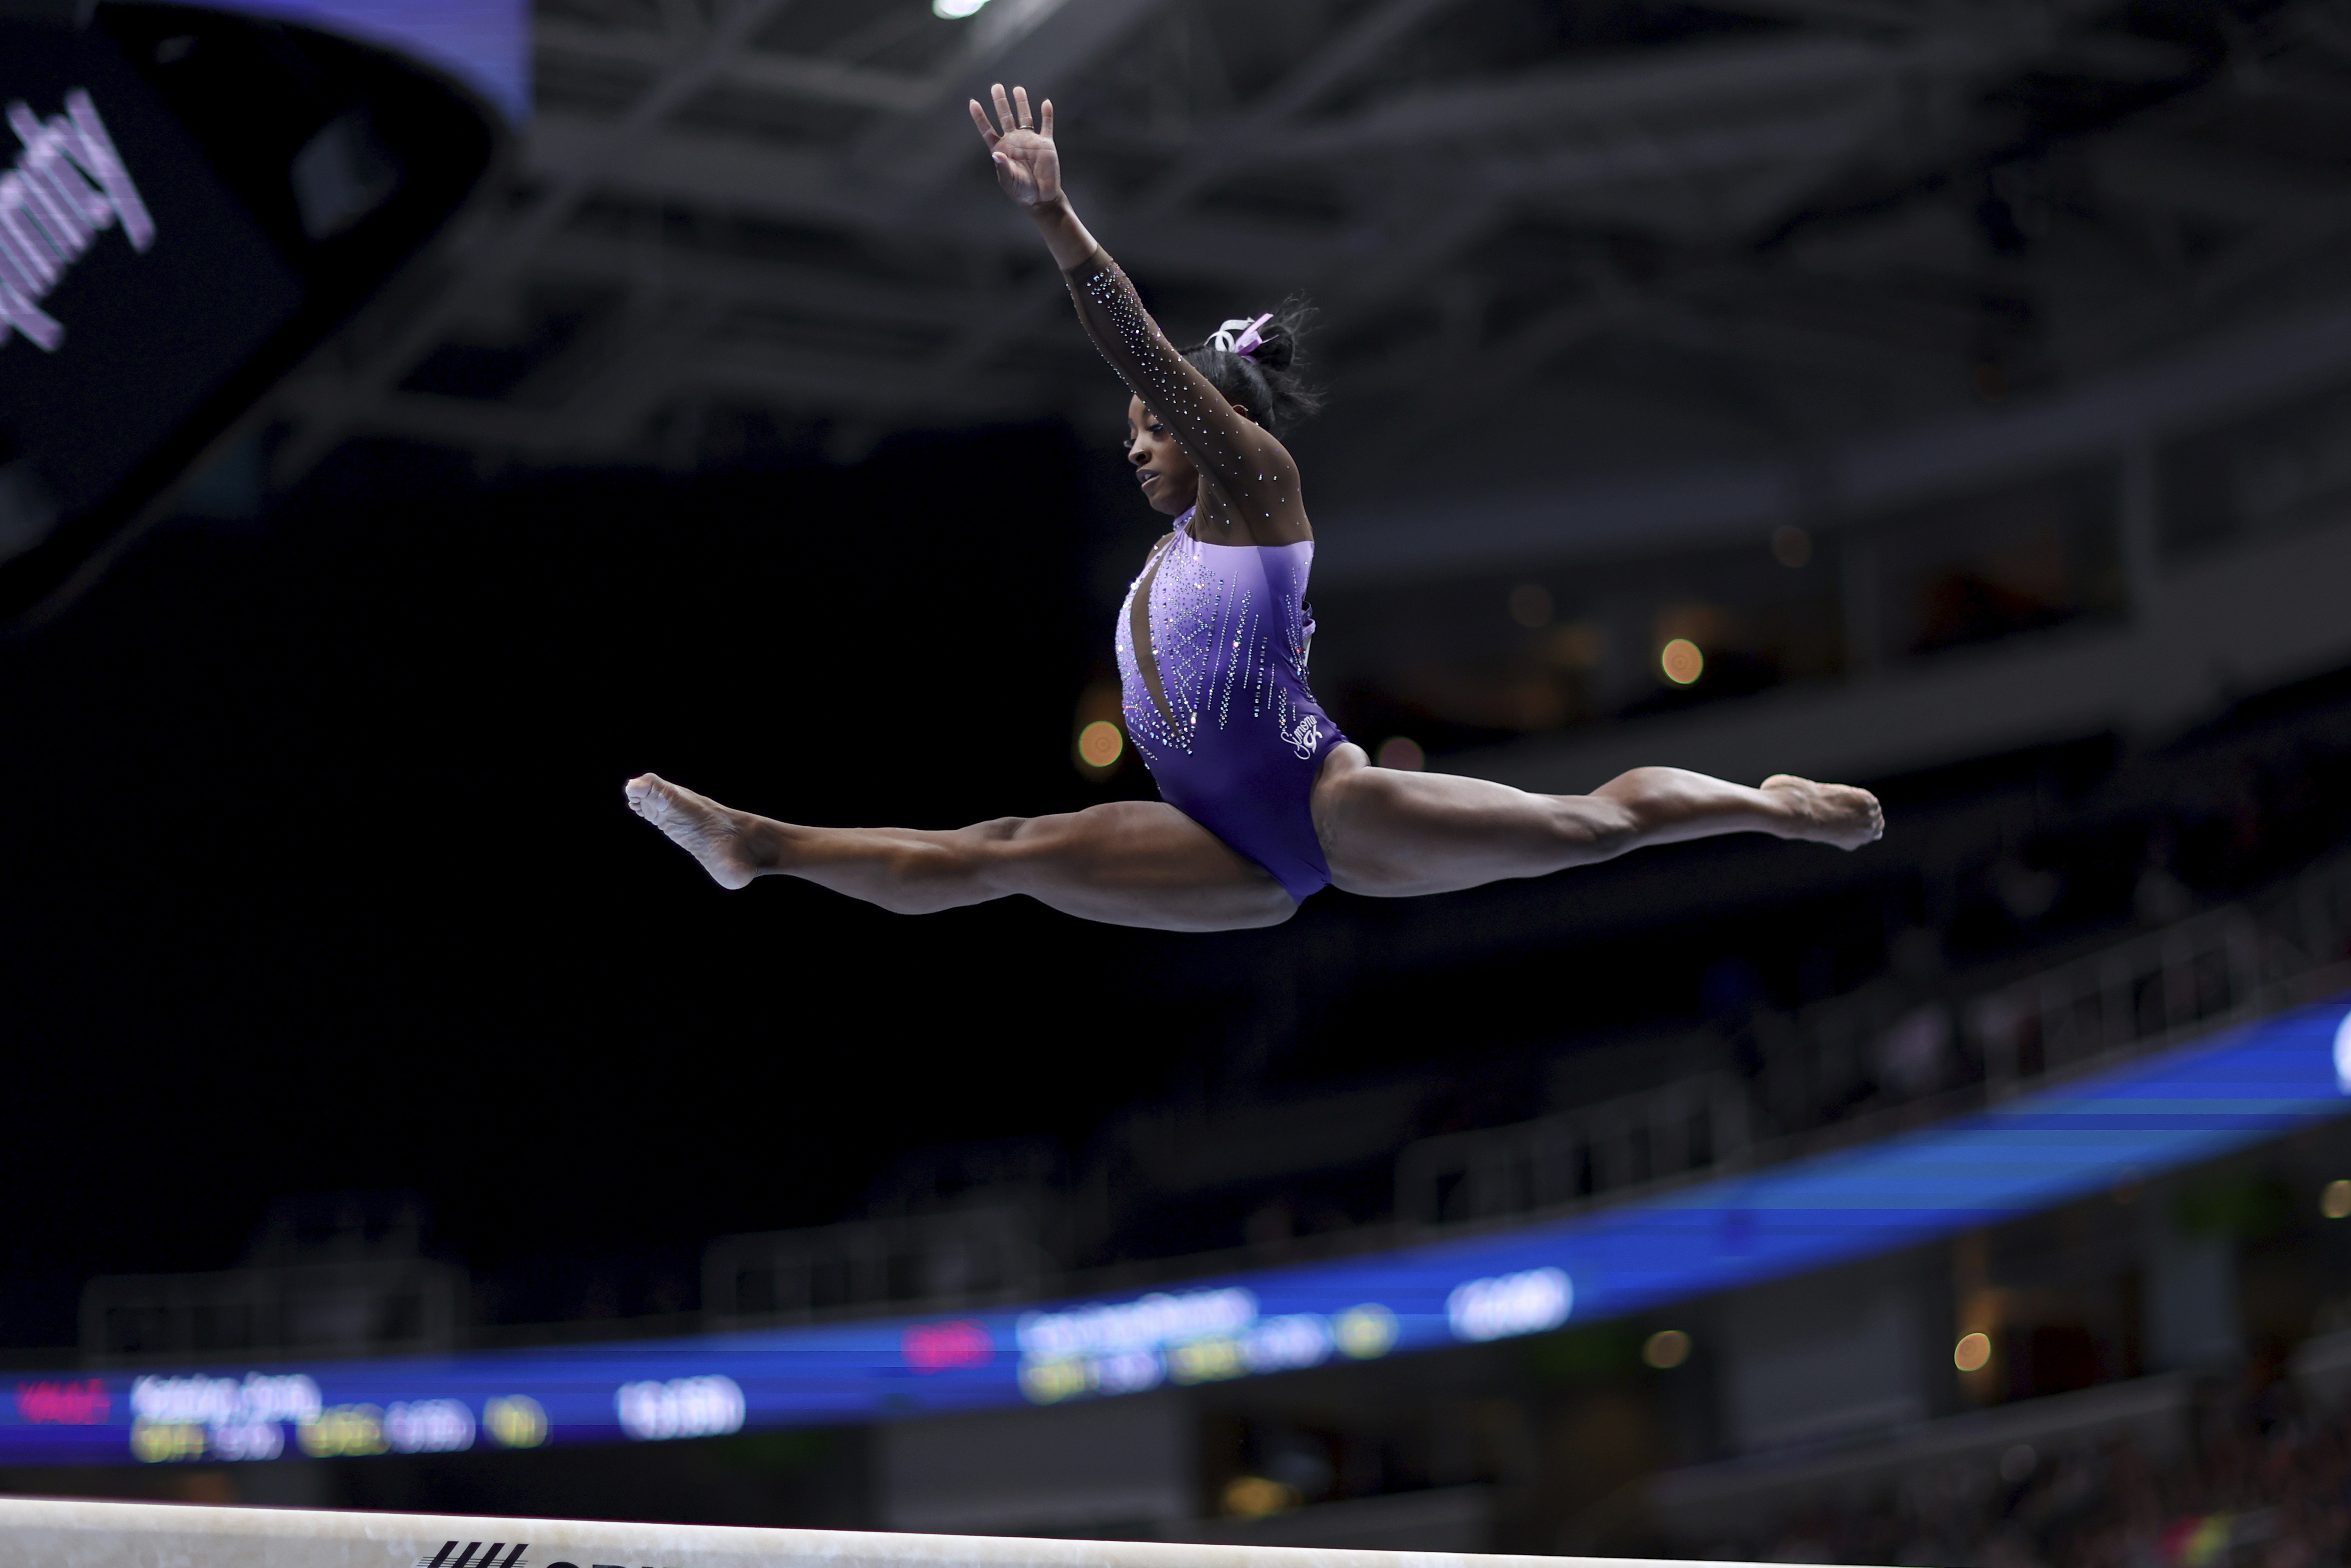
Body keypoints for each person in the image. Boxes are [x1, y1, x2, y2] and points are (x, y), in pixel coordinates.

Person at [625, 83, 1883, 933]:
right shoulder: (1171, 556)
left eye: (1157, 425)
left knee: (1591, 829)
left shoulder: (1260, 497)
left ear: (1216, 424)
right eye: (1131, 433)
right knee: (1005, 849)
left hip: (1329, 809)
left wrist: (1055, 215)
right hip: (1214, 847)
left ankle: (1769, 803)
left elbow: (1136, 344)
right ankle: (760, 844)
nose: (1138, 445)